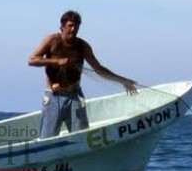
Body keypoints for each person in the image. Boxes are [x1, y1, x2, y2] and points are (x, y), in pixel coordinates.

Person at [28, 10, 139, 138]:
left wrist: (123, 81)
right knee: (47, 138)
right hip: (53, 96)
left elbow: (98, 69)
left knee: (82, 137)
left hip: (75, 95)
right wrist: (56, 61)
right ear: (62, 27)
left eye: (77, 26)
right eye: (70, 26)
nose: (73, 29)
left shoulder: (82, 46)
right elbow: (32, 60)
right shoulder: (52, 40)